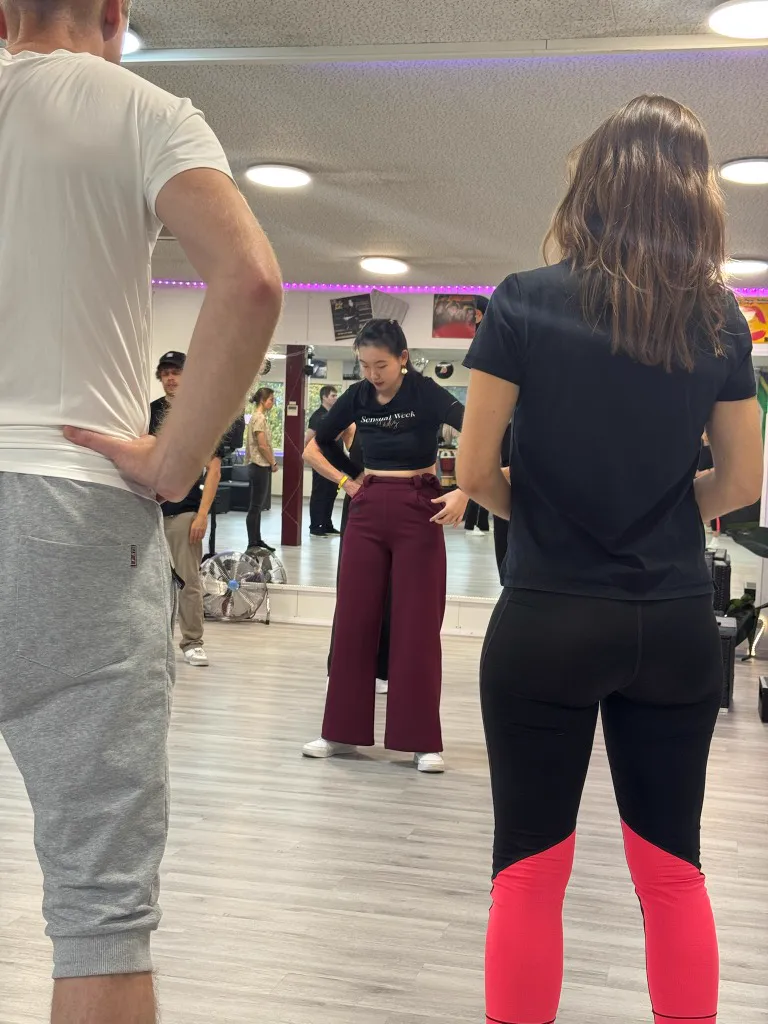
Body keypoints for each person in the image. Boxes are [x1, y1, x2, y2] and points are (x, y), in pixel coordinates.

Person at [0, 2, 283, 1020]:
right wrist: (175, 457)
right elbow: (249, 278)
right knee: (99, 916)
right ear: (116, 13)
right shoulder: (146, 110)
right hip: (73, 518)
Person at [458, 94, 763, 1024]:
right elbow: (742, 482)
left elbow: (474, 472)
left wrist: (547, 519)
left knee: (530, 872)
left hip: (547, 615)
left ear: (593, 184)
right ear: (692, 200)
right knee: (672, 871)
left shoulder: (523, 300)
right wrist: (671, 519)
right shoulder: (719, 320)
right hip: (671, 625)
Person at [302, 318, 469, 773]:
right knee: (354, 618)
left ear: (402, 359)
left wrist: (465, 489)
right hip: (368, 505)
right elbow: (313, 448)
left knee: (416, 623)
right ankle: (340, 732)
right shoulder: (357, 397)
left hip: (420, 505)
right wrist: (347, 482)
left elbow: (478, 433)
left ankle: (421, 740)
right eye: (365, 365)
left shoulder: (426, 392)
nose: (373, 374)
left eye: (381, 365)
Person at [149, 351, 226, 667]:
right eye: (165, 372)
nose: (170, 377)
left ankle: (192, 642)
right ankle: (156, 643)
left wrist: (203, 513)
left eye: (176, 372)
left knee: (187, 580)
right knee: (152, 583)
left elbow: (214, 468)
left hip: (185, 512)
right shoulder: (149, 412)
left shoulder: (201, 415)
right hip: (150, 509)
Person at [326, 423, 390, 693]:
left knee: (390, 591)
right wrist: (346, 481)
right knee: (352, 591)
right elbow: (313, 447)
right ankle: (340, 668)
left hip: (395, 510)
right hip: (360, 507)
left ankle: (382, 670)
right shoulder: (354, 422)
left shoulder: (405, 420)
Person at [245, 387, 279, 553]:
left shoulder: (258, 417)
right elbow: (262, 445)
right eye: (271, 399)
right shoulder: (258, 418)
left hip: (260, 465)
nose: (273, 402)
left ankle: (257, 539)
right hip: (259, 465)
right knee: (255, 506)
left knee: (258, 506)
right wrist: (273, 462)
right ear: (262, 400)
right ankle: (252, 542)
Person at [306, 385, 342, 537]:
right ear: (325, 397)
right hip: (322, 462)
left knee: (331, 492)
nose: (335, 398)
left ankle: (327, 524)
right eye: (333, 395)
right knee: (320, 493)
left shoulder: (333, 415)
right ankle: (315, 526)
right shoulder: (317, 416)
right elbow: (308, 438)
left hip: (335, 462)